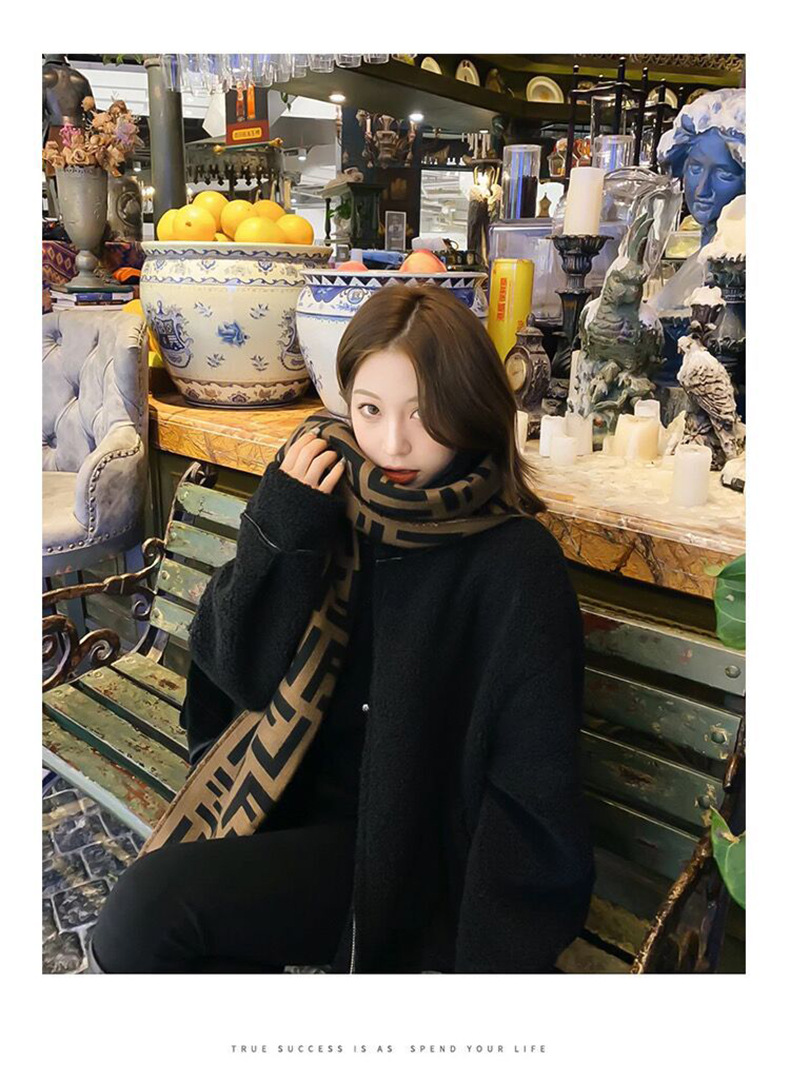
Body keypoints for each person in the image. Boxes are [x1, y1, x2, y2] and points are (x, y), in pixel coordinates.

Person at [89, 284, 595, 974]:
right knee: (193, 942)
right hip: (285, 793)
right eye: (370, 409)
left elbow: (532, 791)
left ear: (471, 407)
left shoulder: (513, 562)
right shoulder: (325, 491)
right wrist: (282, 525)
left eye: (425, 413)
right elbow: (231, 670)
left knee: (149, 913)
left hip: (401, 855)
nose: (392, 442)